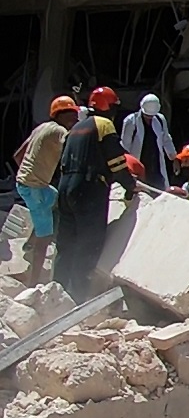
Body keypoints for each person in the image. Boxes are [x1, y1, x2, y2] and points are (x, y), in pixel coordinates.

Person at [53, 87, 136, 299]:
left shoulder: (75, 128)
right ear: (108, 107)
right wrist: (130, 185)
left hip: (65, 188)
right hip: (88, 188)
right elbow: (116, 159)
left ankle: (56, 294)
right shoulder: (104, 124)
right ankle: (80, 297)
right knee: (88, 242)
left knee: (66, 243)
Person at [13, 96, 79, 286]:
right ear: (62, 115)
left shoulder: (41, 127)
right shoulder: (60, 131)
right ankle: (33, 284)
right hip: (35, 188)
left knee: (57, 199)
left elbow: (18, 155)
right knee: (46, 237)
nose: (74, 120)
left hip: (29, 184)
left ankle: (30, 243)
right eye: (72, 116)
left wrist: (30, 173)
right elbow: (73, 147)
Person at [118, 93, 178, 192]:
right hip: (139, 164)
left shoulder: (160, 119)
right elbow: (125, 145)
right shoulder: (131, 121)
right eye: (147, 115)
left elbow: (166, 139)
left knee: (159, 190)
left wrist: (174, 158)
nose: (149, 118)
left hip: (156, 164)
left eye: (151, 116)